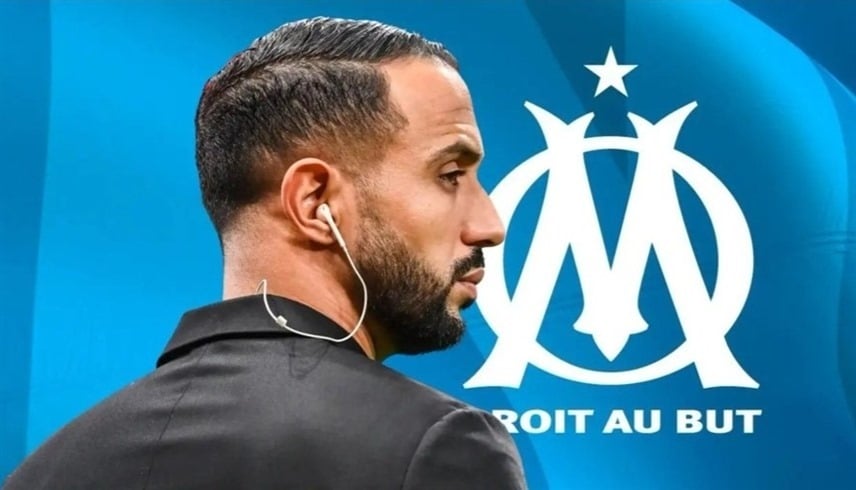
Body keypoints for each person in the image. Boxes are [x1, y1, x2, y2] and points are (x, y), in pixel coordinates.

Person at [4, 16, 527, 490]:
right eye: (450, 175)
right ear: (315, 202)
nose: (490, 227)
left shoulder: (46, 469)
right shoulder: (436, 445)